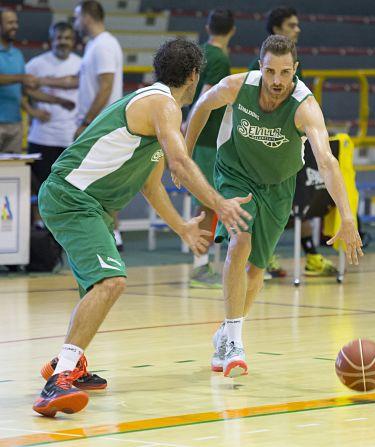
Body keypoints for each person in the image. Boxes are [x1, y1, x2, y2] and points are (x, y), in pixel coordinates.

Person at [32, 38, 252, 417]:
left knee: (98, 289)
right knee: (111, 282)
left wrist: (182, 226)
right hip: (72, 198)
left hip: (89, 205)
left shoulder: (158, 109)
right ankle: (59, 379)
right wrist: (218, 203)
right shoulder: (161, 105)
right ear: (195, 76)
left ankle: (69, 364)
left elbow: (151, 184)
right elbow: (180, 165)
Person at [185, 35, 363, 378]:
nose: (277, 81)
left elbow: (326, 161)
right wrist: (185, 155)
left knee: (257, 271)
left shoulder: (304, 106)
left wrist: (347, 215)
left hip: (279, 186)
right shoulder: (237, 86)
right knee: (240, 243)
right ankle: (235, 342)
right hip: (235, 175)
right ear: (260, 67)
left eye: (285, 72)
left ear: (295, 69)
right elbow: (202, 106)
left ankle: (226, 331)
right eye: (270, 71)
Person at [250, 6, 337, 278]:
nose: (297, 29)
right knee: (263, 206)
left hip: (290, 145)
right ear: (276, 29)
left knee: (308, 197)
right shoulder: (260, 70)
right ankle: (263, 256)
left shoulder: (293, 63)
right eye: (291, 25)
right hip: (264, 150)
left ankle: (310, 254)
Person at [40, 0, 125, 248]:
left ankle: (112, 234)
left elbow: (106, 86)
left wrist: (86, 122)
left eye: (77, 18)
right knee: (94, 181)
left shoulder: (104, 46)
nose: (75, 23)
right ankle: (103, 232)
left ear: (87, 17)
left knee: (104, 181)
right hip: (97, 125)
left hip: (102, 126)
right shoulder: (94, 46)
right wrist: (41, 81)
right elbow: (77, 81)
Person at [187, 9, 235, 289]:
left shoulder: (199, 52)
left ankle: (207, 262)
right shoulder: (218, 57)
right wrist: (189, 126)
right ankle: (200, 266)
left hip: (203, 138)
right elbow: (206, 96)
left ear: (208, 26)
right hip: (208, 140)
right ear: (233, 30)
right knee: (208, 204)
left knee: (211, 202)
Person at [26, 22, 81, 227]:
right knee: (39, 188)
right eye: (59, 38)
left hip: (71, 138)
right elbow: (22, 91)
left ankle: (66, 228)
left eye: (67, 38)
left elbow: (77, 84)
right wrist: (32, 111)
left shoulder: (80, 63)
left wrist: (43, 82)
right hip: (42, 136)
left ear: (73, 41)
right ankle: (40, 228)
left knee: (68, 189)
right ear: (51, 40)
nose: (63, 42)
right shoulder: (35, 64)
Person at [0, 8, 38, 152]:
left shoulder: (18, 54)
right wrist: (21, 77)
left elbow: (21, 90)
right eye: (10, 23)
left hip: (15, 123)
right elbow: (21, 79)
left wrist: (31, 111)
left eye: (16, 22)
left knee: (12, 171)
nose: (15, 26)